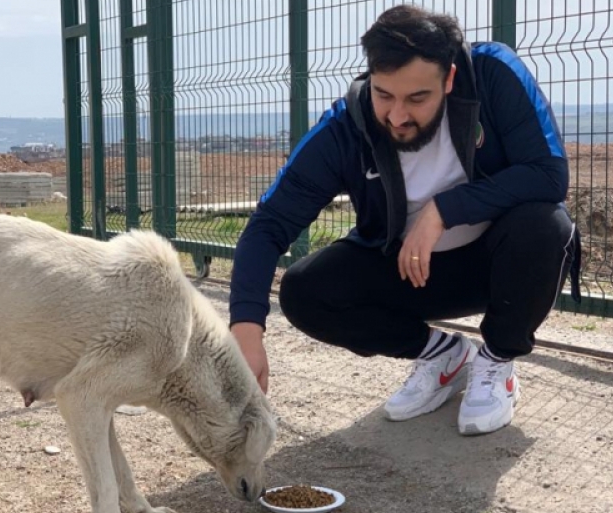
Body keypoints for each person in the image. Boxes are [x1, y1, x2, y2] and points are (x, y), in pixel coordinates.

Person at [228, 5, 581, 436]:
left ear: (449, 80)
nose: (397, 116)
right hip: (409, 272)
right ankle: (442, 355)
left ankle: (496, 360)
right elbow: (269, 225)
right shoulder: (346, 128)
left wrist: (444, 210)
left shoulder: (491, 73)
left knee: (546, 225)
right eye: (384, 95)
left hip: (497, 266)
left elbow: (548, 174)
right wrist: (246, 332)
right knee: (305, 292)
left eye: (417, 98)